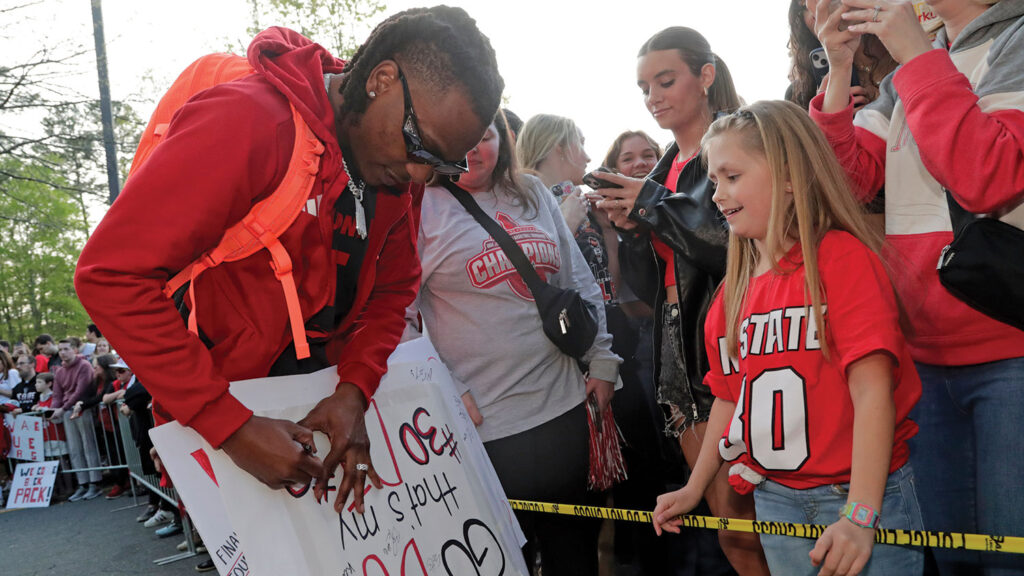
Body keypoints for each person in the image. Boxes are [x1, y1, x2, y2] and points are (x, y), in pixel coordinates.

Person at [74, 6, 504, 514]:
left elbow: (393, 292)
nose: (418, 176)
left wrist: (354, 391)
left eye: (440, 165)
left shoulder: (391, 166)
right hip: (233, 432)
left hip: (320, 420)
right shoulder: (249, 120)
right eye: (420, 148)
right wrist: (229, 427)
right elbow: (109, 275)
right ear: (382, 80)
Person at [654, 100, 924, 576]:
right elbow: (727, 398)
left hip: (855, 497)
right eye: (714, 181)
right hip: (774, 498)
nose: (717, 195)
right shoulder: (731, 293)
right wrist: (694, 489)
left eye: (732, 177)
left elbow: (872, 389)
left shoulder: (841, 260)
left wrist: (861, 514)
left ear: (789, 178)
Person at [809, 1, 1024, 573]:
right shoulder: (920, 60)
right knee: (951, 559)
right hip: (922, 356)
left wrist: (917, 54)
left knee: (1009, 561)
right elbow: (844, 181)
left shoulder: (1014, 39)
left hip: (1011, 347)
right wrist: (837, 65)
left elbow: (991, 176)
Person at [409, 110, 620, 575]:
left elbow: (577, 279)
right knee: (508, 562)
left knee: (576, 555)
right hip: (487, 428)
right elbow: (401, 318)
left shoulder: (534, 193)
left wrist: (603, 358)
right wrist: (445, 388)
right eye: (459, 137)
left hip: (564, 410)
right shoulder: (418, 208)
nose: (473, 151)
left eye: (484, 136)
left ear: (502, 138)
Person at [591, 26, 768, 575]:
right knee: (730, 531)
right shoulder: (665, 167)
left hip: (739, 358)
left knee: (761, 526)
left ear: (706, 76)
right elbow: (650, 287)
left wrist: (653, 205)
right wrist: (636, 230)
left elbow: (733, 247)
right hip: (678, 366)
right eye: (644, 87)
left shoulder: (742, 142)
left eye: (666, 81)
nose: (654, 97)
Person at [786, 0, 898, 110]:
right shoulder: (809, 92)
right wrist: (830, 107)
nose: (815, 7)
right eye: (803, 6)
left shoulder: (897, 29)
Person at [50, 339, 103, 501]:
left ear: (74, 350)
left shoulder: (84, 366)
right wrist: (53, 410)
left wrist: (63, 408)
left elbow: (81, 390)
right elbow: (57, 393)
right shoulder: (59, 371)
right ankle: (83, 484)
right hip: (67, 410)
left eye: (66, 349)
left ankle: (95, 483)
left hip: (82, 409)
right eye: (60, 350)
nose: (63, 352)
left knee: (88, 445)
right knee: (74, 449)